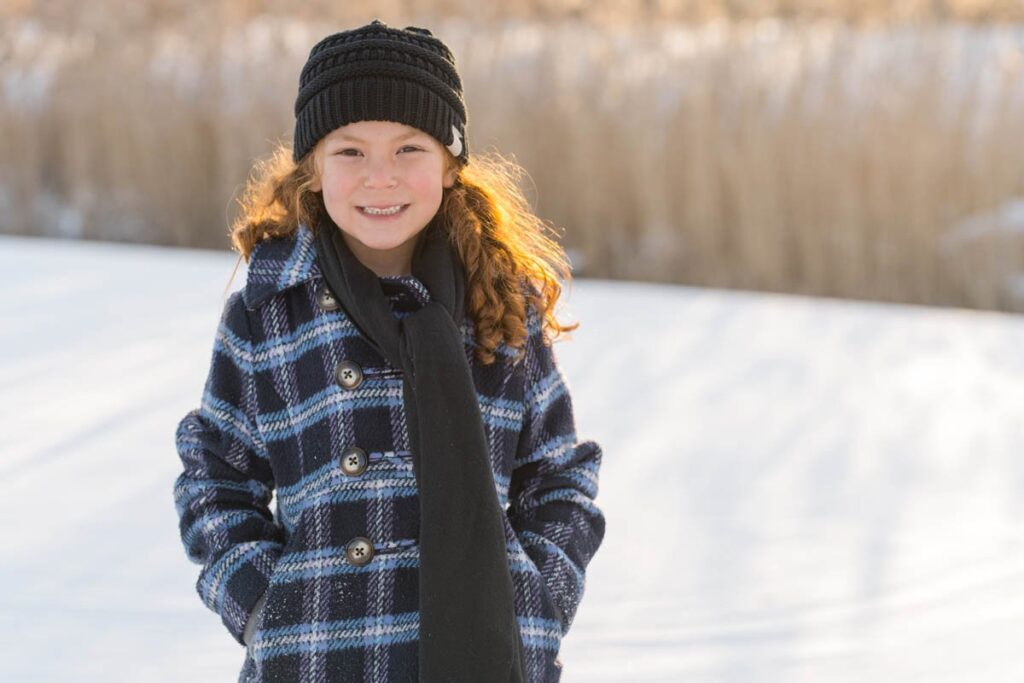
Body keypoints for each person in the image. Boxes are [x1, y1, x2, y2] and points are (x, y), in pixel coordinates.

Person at [171, 19, 605, 683]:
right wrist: (264, 606)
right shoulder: (268, 310)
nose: (381, 178)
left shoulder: (500, 303)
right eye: (350, 152)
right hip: (315, 659)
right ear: (313, 168)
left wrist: (537, 600)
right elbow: (214, 475)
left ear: (451, 165)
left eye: (409, 149)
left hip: (488, 654)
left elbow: (559, 474)